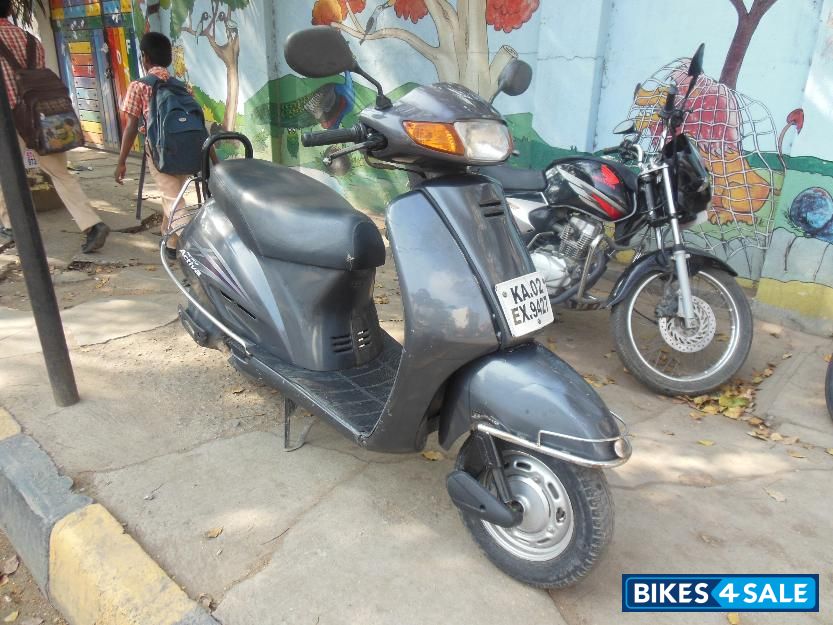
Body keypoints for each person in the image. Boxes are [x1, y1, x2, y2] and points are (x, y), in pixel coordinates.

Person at [0, 0, 110, 252]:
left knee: (5, 174)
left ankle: (10, 225)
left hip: (9, 120)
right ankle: (92, 224)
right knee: (61, 174)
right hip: (43, 117)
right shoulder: (30, 39)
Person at [114, 32, 191, 260]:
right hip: (185, 149)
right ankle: (169, 244)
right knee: (173, 194)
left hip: (159, 151)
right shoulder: (182, 86)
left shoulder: (139, 86)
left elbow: (131, 126)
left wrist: (121, 161)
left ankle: (194, 245)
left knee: (173, 200)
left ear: (145, 58)